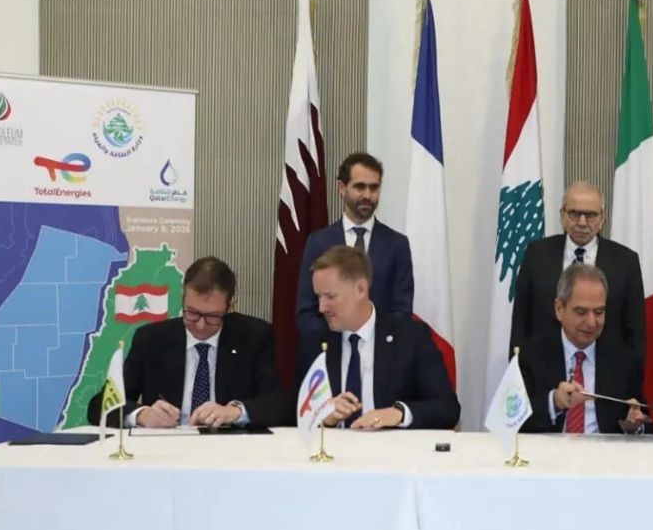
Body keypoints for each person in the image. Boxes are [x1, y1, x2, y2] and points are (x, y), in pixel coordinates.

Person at [87, 256, 290, 428]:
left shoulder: (254, 336)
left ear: (230, 307)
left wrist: (235, 411)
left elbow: (279, 405)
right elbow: (99, 405)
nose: (200, 325)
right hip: (167, 450)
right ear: (183, 300)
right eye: (192, 313)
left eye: (212, 316)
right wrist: (141, 415)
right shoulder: (151, 339)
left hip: (229, 449)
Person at [297, 245, 459, 430]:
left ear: (361, 289)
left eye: (330, 297)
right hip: (335, 447)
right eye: (318, 297)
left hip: (393, 447)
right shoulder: (315, 342)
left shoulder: (410, 337)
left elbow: (447, 408)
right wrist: (323, 415)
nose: (321, 307)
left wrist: (399, 413)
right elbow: (294, 413)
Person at [511, 181, 645, 359]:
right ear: (562, 215)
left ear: (602, 218)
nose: (582, 222)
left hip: (605, 369)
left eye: (590, 215)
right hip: (543, 367)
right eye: (574, 214)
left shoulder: (625, 261)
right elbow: (520, 321)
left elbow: (635, 332)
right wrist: (517, 367)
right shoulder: (537, 255)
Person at [519, 263, 649, 434]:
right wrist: (554, 402)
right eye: (581, 312)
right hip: (548, 450)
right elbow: (511, 419)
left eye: (599, 312)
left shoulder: (623, 360)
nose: (591, 322)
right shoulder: (531, 355)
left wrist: (635, 425)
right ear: (559, 309)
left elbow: (645, 420)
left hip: (605, 450)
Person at [296, 152, 413, 333]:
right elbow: (306, 311)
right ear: (342, 188)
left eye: (374, 188)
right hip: (331, 345)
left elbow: (402, 310)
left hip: (382, 346)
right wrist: (338, 341)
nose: (368, 195)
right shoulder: (318, 243)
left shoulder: (397, 245)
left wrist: (371, 340)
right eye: (360, 187)